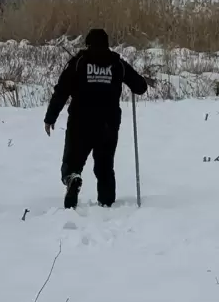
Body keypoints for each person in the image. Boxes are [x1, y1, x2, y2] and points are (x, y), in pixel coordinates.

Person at [44, 28, 149, 209]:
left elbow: (61, 90)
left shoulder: (79, 62)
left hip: (80, 122)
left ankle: (72, 178)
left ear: (87, 44)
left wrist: (50, 117)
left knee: (72, 161)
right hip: (108, 123)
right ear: (107, 44)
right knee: (104, 166)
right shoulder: (117, 64)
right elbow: (140, 87)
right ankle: (106, 204)